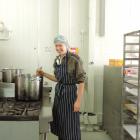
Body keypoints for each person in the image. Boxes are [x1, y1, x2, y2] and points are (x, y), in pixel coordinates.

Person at [36, 35, 86, 140]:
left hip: (70, 94)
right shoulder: (57, 60)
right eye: (56, 46)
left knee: (70, 124)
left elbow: (81, 81)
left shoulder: (74, 60)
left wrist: (78, 101)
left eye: (60, 45)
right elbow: (58, 79)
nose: (58, 48)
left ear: (66, 45)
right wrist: (43, 73)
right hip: (59, 94)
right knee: (60, 122)